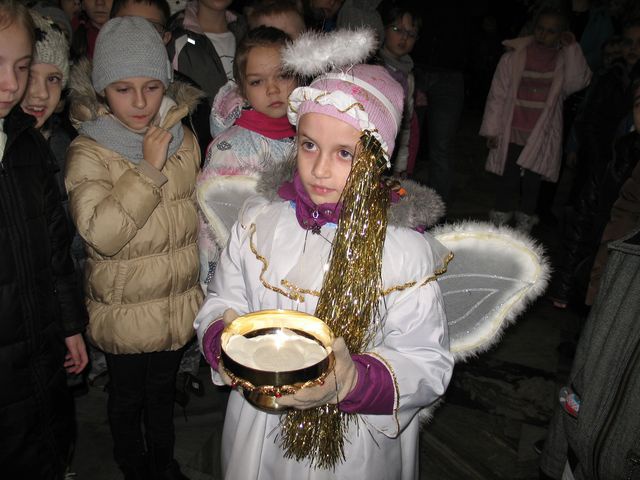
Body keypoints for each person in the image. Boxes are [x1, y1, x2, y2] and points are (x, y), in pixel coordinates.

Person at [194, 32, 454, 478]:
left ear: (378, 158)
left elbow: (428, 362)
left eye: (344, 153)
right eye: (309, 145)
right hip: (262, 428)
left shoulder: (403, 253)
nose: (318, 168)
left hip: (356, 445)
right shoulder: (260, 223)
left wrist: (353, 381)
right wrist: (223, 344)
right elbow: (221, 300)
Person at [65, 16, 203, 478]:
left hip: (175, 302)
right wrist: (146, 169)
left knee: (163, 395)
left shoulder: (184, 136)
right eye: (123, 89)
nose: (141, 102)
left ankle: (163, 465)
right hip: (125, 311)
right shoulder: (89, 151)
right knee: (127, 399)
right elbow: (101, 235)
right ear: (102, 90)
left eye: (150, 86)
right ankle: (133, 466)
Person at [0, 1, 88, 477]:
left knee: (45, 433)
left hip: (37, 342)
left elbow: (56, 252)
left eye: (22, 67)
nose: (16, 86)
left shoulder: (31, 147)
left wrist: (69, 324)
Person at [198, 26, 297, 286]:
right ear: (242, 89)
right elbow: (211, 231)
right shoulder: (230, 150)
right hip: (246, 284)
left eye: (283, 75)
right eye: (257, 81)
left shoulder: (312, 138)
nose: (273, 89)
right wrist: (216, 299)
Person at [480, 7, 591, 232]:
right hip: (512, 129)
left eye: (551, 31)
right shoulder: (514, 57)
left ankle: (524, 225)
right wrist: (492, 129)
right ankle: (499, 222)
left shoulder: (563, 61)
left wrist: (572, 48)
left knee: (532, 183)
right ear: (534, 27)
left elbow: (580, 81)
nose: (543, 34)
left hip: (541, 134)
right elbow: (497, 94)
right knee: (507, 178)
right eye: (540, 28)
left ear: (561, 34)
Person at [377, 0, 421, 177]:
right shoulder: (373, 66)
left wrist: (401, 164)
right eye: (397, 30)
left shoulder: (408, 77)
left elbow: (405, 125)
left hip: (391, 155)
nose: (404, 38)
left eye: (411, 34)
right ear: (383, 29)